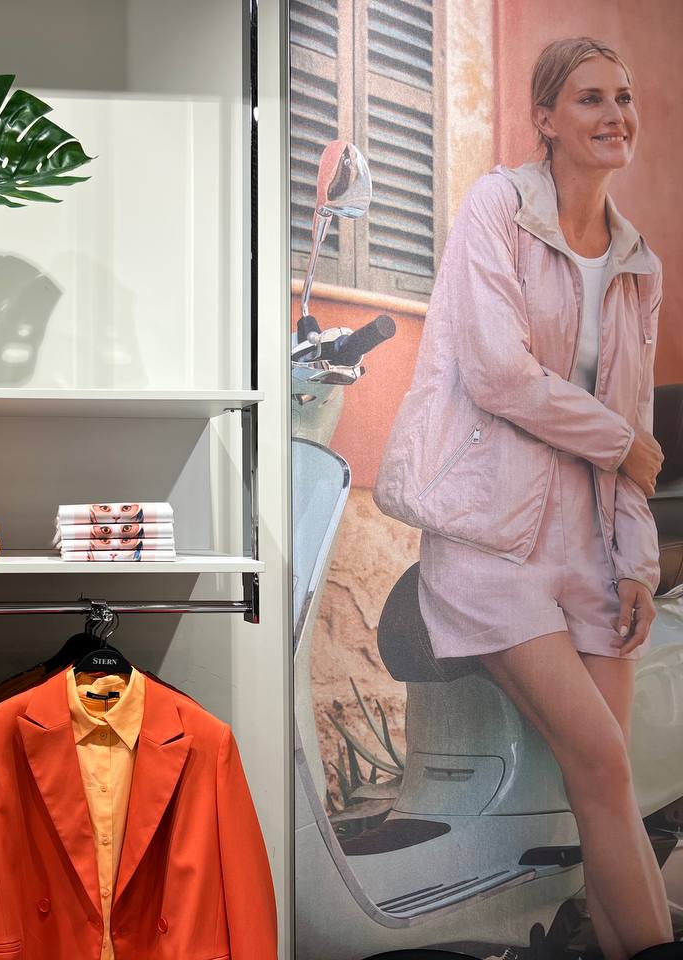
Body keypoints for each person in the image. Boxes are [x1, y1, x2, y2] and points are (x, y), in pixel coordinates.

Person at [374, 37, 672, 960]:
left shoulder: (639, 264)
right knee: (602, 759)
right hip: (491, 538)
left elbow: (636, 422)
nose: (615, 114)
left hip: (594, 546)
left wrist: (638, 563)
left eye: (623, 96)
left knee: (607, 786)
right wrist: (621, 445)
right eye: (589, 98)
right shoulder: (497, 207)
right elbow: (498, 373)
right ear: (544, 118)